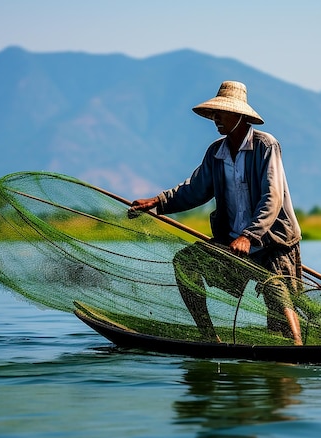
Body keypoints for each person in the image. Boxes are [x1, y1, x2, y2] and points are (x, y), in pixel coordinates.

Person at [129, 81, 303, 345]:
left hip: (271, 241)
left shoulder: (265, 146)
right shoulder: (216, 153)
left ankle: (297, 347)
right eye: (214, 114)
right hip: (232, 241)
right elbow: (195, 190)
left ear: (240, 116)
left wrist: (250, 236)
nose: (215, 119)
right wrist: (157, 202)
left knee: (278, 293)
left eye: (221, 113)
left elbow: (272, 198)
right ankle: (210, 337)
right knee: (187, 263)